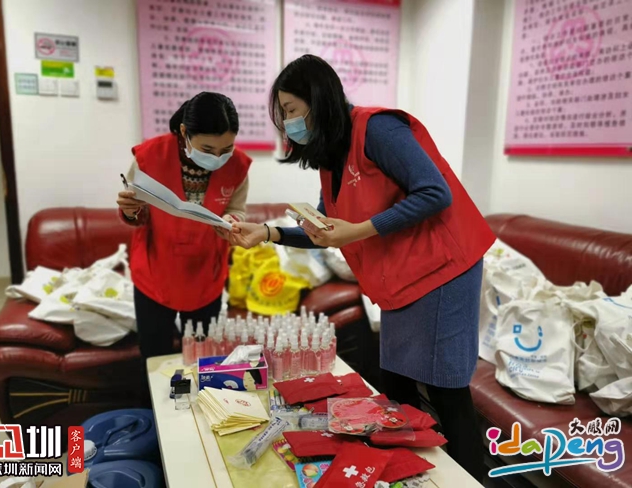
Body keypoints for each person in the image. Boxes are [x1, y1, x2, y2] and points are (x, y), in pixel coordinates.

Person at [230, 55, 495, 482]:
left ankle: (470, 477)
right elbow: (324, 230)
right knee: (396, 386)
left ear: (319, 99)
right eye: (284, 115)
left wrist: (359, 230)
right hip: (402, 278)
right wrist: (267, 232)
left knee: (446, 390)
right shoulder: (331, 152)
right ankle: (416, 474)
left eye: (292, 110)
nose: (289, 123)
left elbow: (435, 192)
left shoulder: (378, 129)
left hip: (444, 269)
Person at [117, 92, 252, 360]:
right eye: (207, 150)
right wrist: (130, 210)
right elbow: (137, 210)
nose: (218, 157)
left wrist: (232, 222)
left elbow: (236, 209)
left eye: (226, 149)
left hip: (206, 274)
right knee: (155, 358)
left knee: (203, 358)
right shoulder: (150, 157)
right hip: (156, 272)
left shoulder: (237, 166)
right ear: (183, 132)